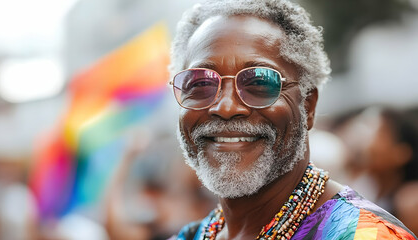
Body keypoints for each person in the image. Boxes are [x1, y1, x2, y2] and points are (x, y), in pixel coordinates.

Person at [167, 0, 417, 239]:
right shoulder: (192, 235)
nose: (226, 107)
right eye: (200, 83)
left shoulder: (363, 235)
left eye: (259, 82)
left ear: (308, 106)